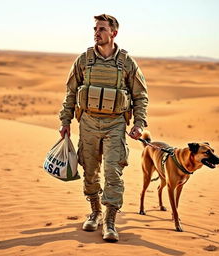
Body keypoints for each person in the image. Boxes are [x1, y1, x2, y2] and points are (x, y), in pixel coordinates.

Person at [59, 14, 148, 242]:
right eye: (95, 28)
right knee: (89, 171)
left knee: (112, 172)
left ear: (113, 33)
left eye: (101, 29)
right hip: (88, 123)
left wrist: (138, 124)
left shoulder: (127, 62)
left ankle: (110, 220)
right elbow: (70, 92)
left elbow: (140, 96)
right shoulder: (84, 59)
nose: (96, 32)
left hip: (115, 124)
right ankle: (95, 211)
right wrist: (65, 121)